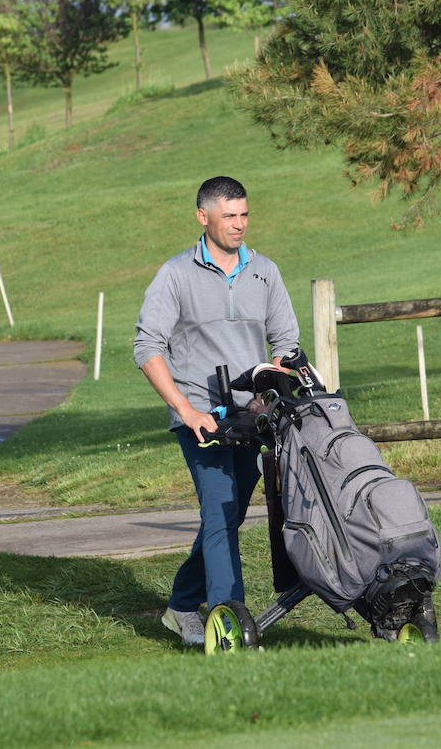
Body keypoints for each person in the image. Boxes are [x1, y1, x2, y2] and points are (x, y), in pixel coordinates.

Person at [133, 177, 301, 645]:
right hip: (201, 418)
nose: (239, 224)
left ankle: (183, 604)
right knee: (220, 506)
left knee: (227, 513)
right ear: (203, 217)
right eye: (229, 216)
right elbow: (147, 347)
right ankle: (230, 620)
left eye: (244, 214)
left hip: (252, 418)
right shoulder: (175, 275)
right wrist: (186, 410)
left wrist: (279, 383)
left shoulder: (265, 271)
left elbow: (286, 343)